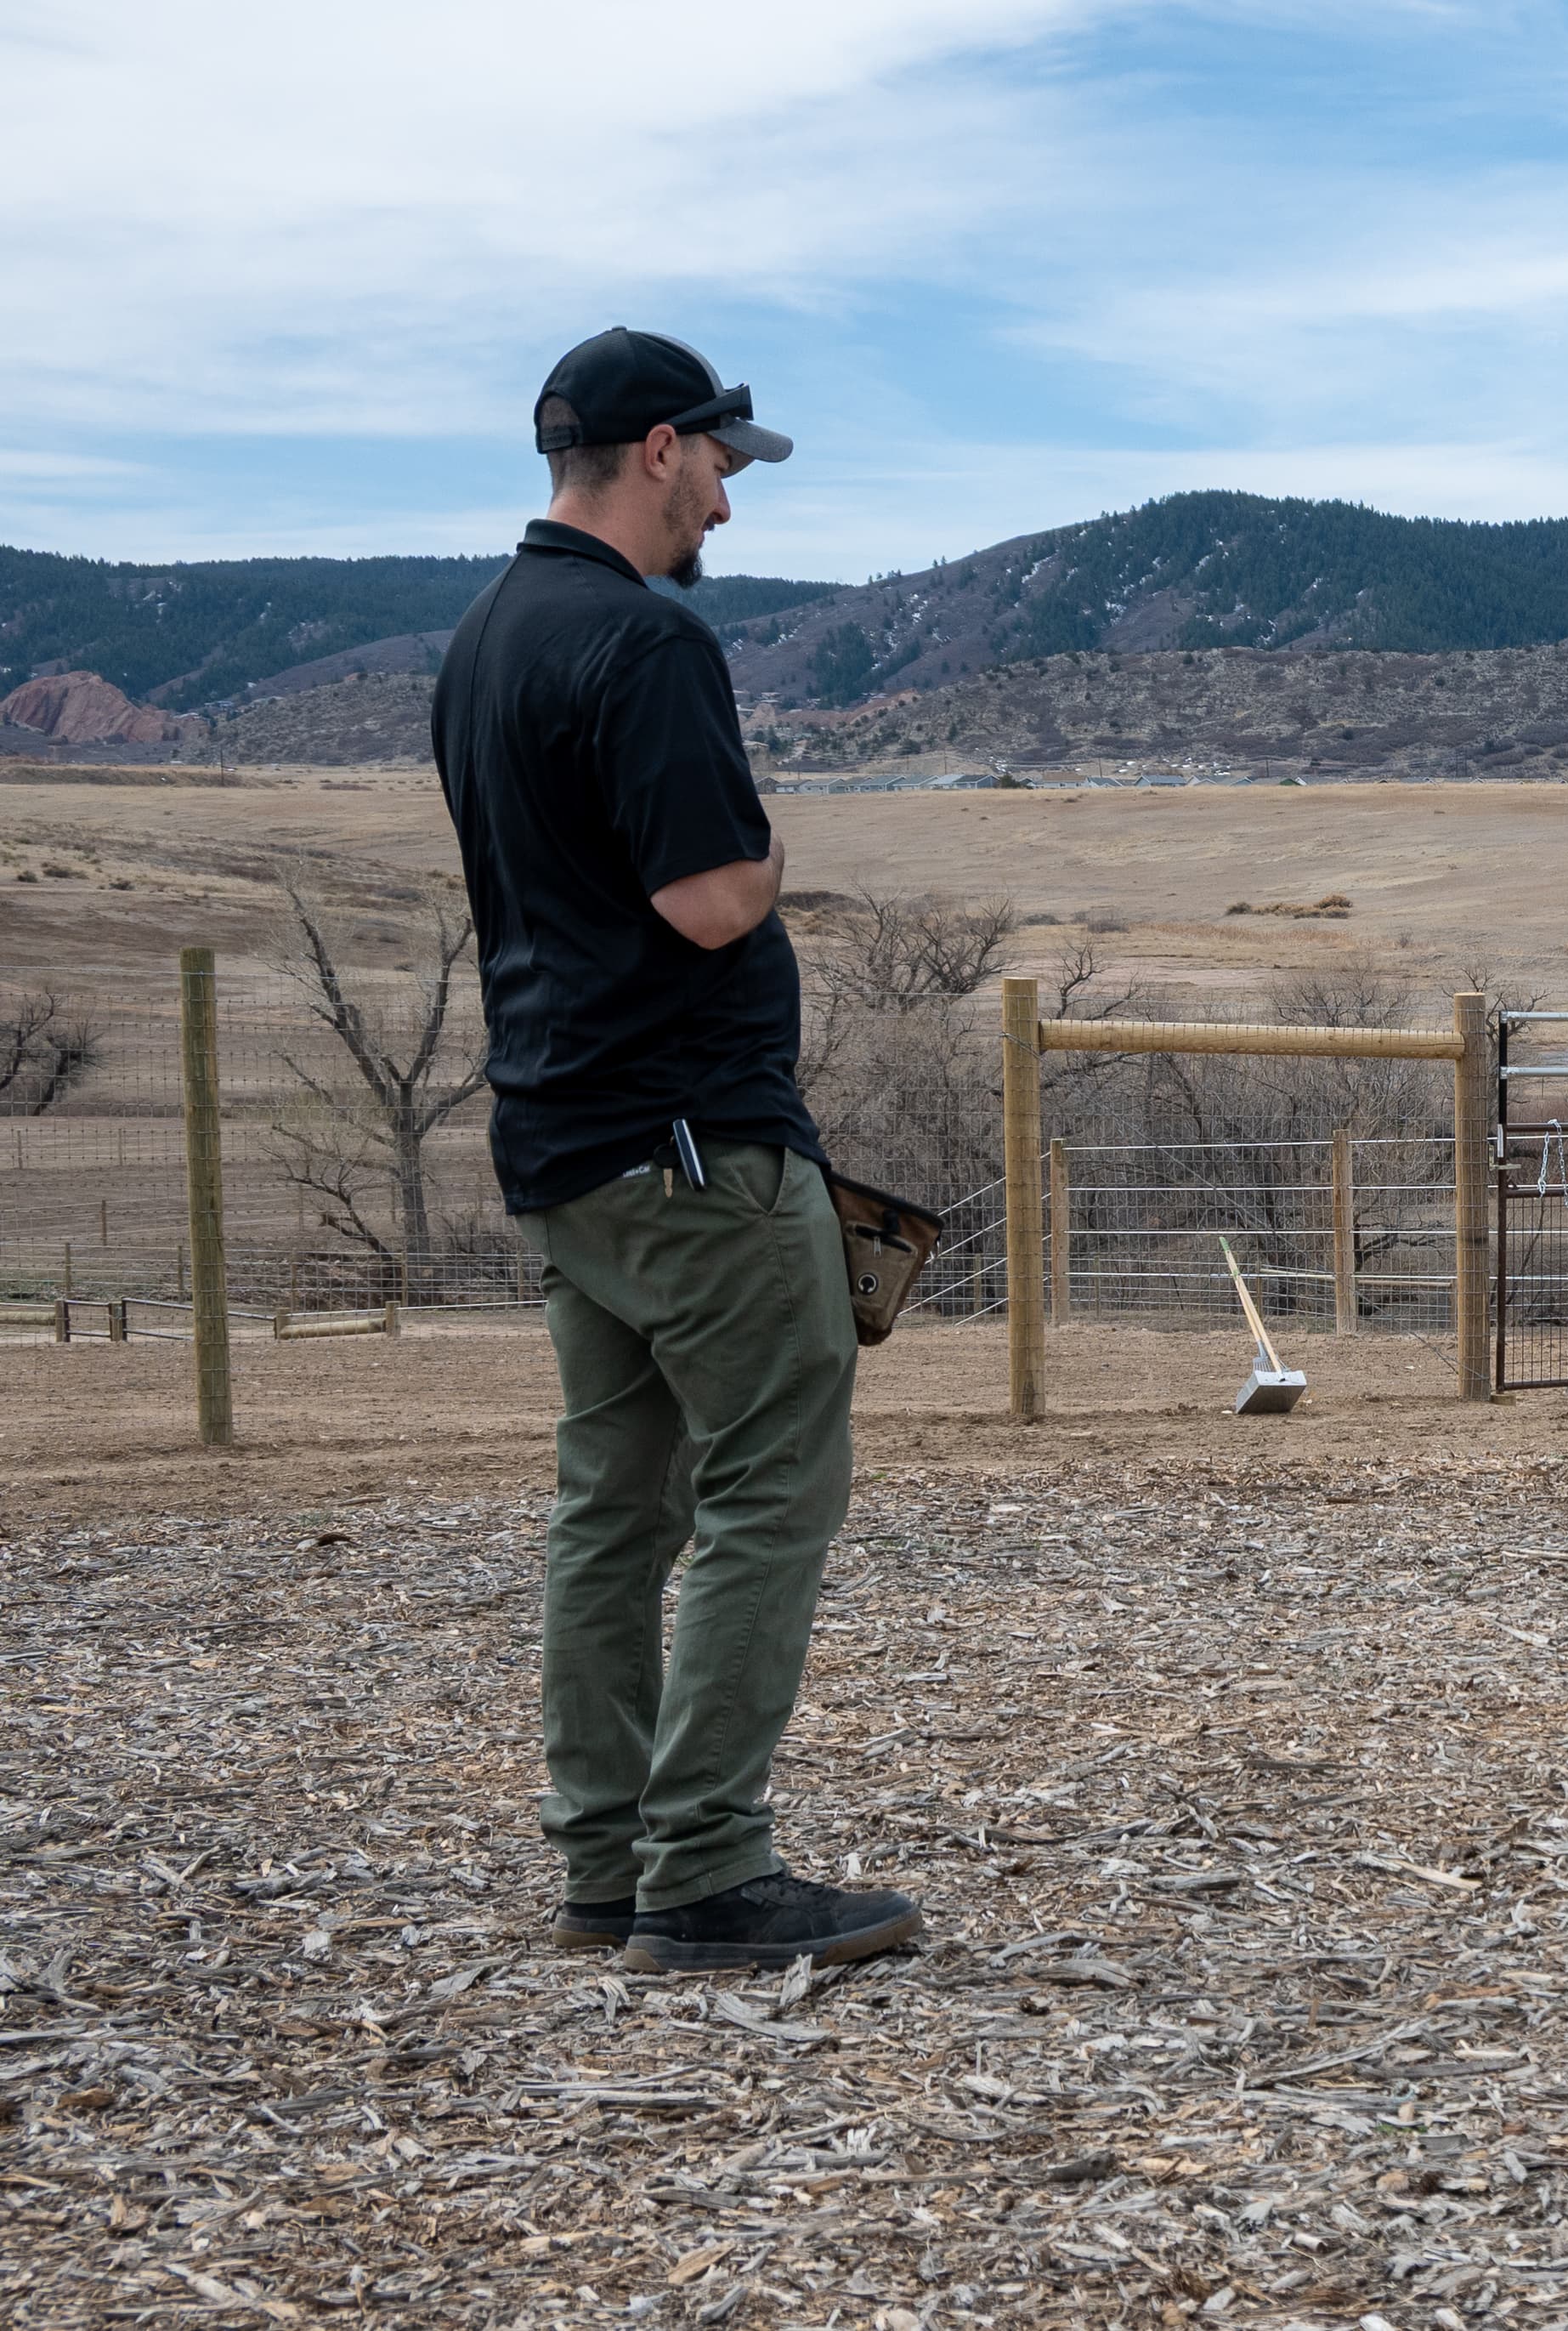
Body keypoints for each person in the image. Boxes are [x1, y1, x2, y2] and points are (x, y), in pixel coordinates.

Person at [432, 327, 919, 1972]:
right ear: (656, 450)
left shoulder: (486, 640)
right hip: (699, 1154)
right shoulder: (642, 647)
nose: (727, 496)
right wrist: (774, 842)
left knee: (612, 1501)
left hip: (566, 1143)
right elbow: (710, 897)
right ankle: (707, 1869)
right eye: (720, 461)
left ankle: (607, 1857)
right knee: (770, 1490)